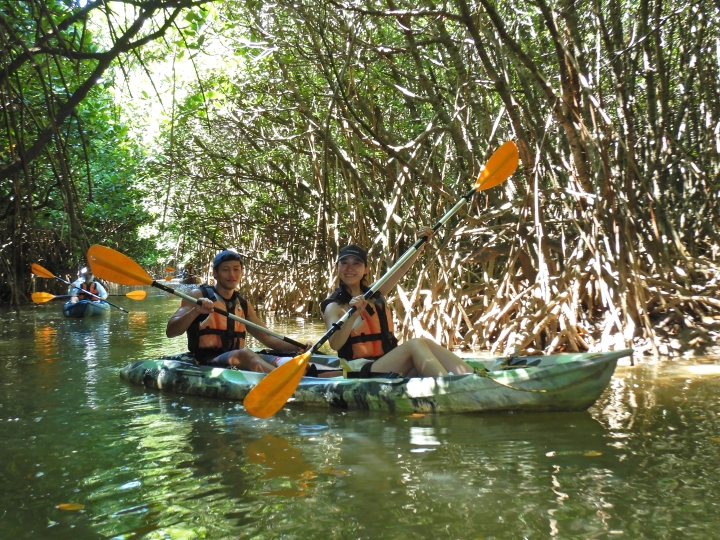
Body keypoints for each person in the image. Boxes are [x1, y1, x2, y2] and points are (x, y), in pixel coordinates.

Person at [321, 230, 475, 378]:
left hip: (385, 362)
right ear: (337, 267)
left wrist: (421, 243)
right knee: (415, 344)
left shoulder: (373, 293)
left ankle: (473, 377)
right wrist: (353, 315)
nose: (349, 268)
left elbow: (401, 268)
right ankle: (448, 385)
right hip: (359, 370)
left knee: (425, 342)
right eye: (344, 263)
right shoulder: (333, 306)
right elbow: (335, 344)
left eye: (356, 264)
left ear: (366, 269)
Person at [166, 250, 309, 372]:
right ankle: (286, 382)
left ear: (241, 272)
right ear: (215, 273)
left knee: (295, 360)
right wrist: (195, 311)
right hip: (207, 360)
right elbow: (171, 331)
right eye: (225, 270)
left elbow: (267, 338)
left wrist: (300, 347)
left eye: (236, 269)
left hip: (236, 358)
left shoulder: (243, 304)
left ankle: (311, 378)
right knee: (245, 354)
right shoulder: (198, 295)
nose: (232, 275)